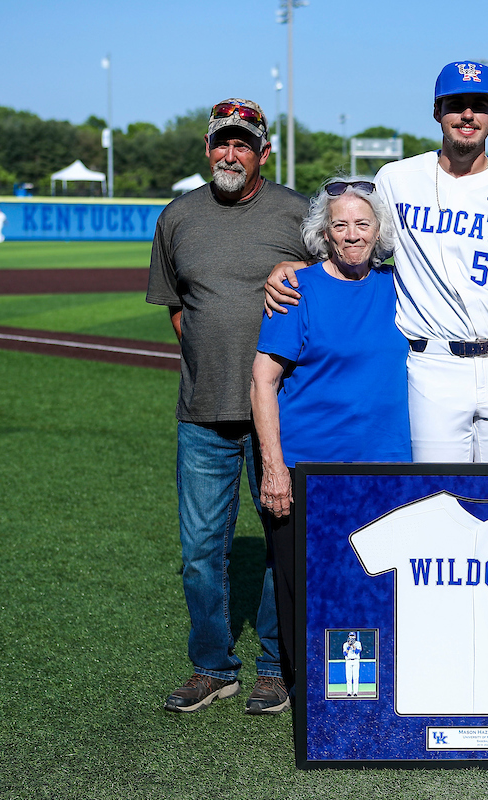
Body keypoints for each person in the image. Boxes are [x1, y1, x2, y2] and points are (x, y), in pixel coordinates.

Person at [265, 61, 488, 465]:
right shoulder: (397, 179)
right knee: (435, 501)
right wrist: (297, 267)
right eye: (456, 104)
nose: (467, 115)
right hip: (431, 363)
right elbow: (357, 244)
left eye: (479, 105)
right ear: (437, 112)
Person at [147, 98, 312, 714]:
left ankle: (273, 665)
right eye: (222, 142)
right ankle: (213, 665)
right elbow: (177, 310)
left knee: (280, 542)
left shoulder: (298, 213)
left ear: (263, 152)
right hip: (203, 413)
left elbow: (336, 287)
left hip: (282, 413)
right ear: (208, 149)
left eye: (243, 143)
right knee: (198, 551)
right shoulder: (178, 217)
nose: (231, 154)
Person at [251, 176, 410, 693]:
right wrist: (274, 469)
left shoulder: (401, 287)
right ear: (324, 233)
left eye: (363, 223)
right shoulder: (299, 289)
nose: (352, 234)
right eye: (339, 224)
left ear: (379, 231)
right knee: (303, 589)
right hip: (308, 468)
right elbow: (263, 379)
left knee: (372, 587)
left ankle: (367, 694)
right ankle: (311, 697)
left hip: (382, 468)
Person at [343, 632, 362, 696]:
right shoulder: (345, 644)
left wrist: (353, 645)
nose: (351, 637)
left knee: (356, 677)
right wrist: (349, 646)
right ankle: (349, 692)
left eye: (353, 636)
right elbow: (345, 654)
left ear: (355, 637)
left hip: (355, 660)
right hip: (348, 660)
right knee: (348, 677)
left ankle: (355, 692)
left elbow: (357, 652)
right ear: (348, 636)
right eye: (350, 636)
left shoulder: (358, 643)